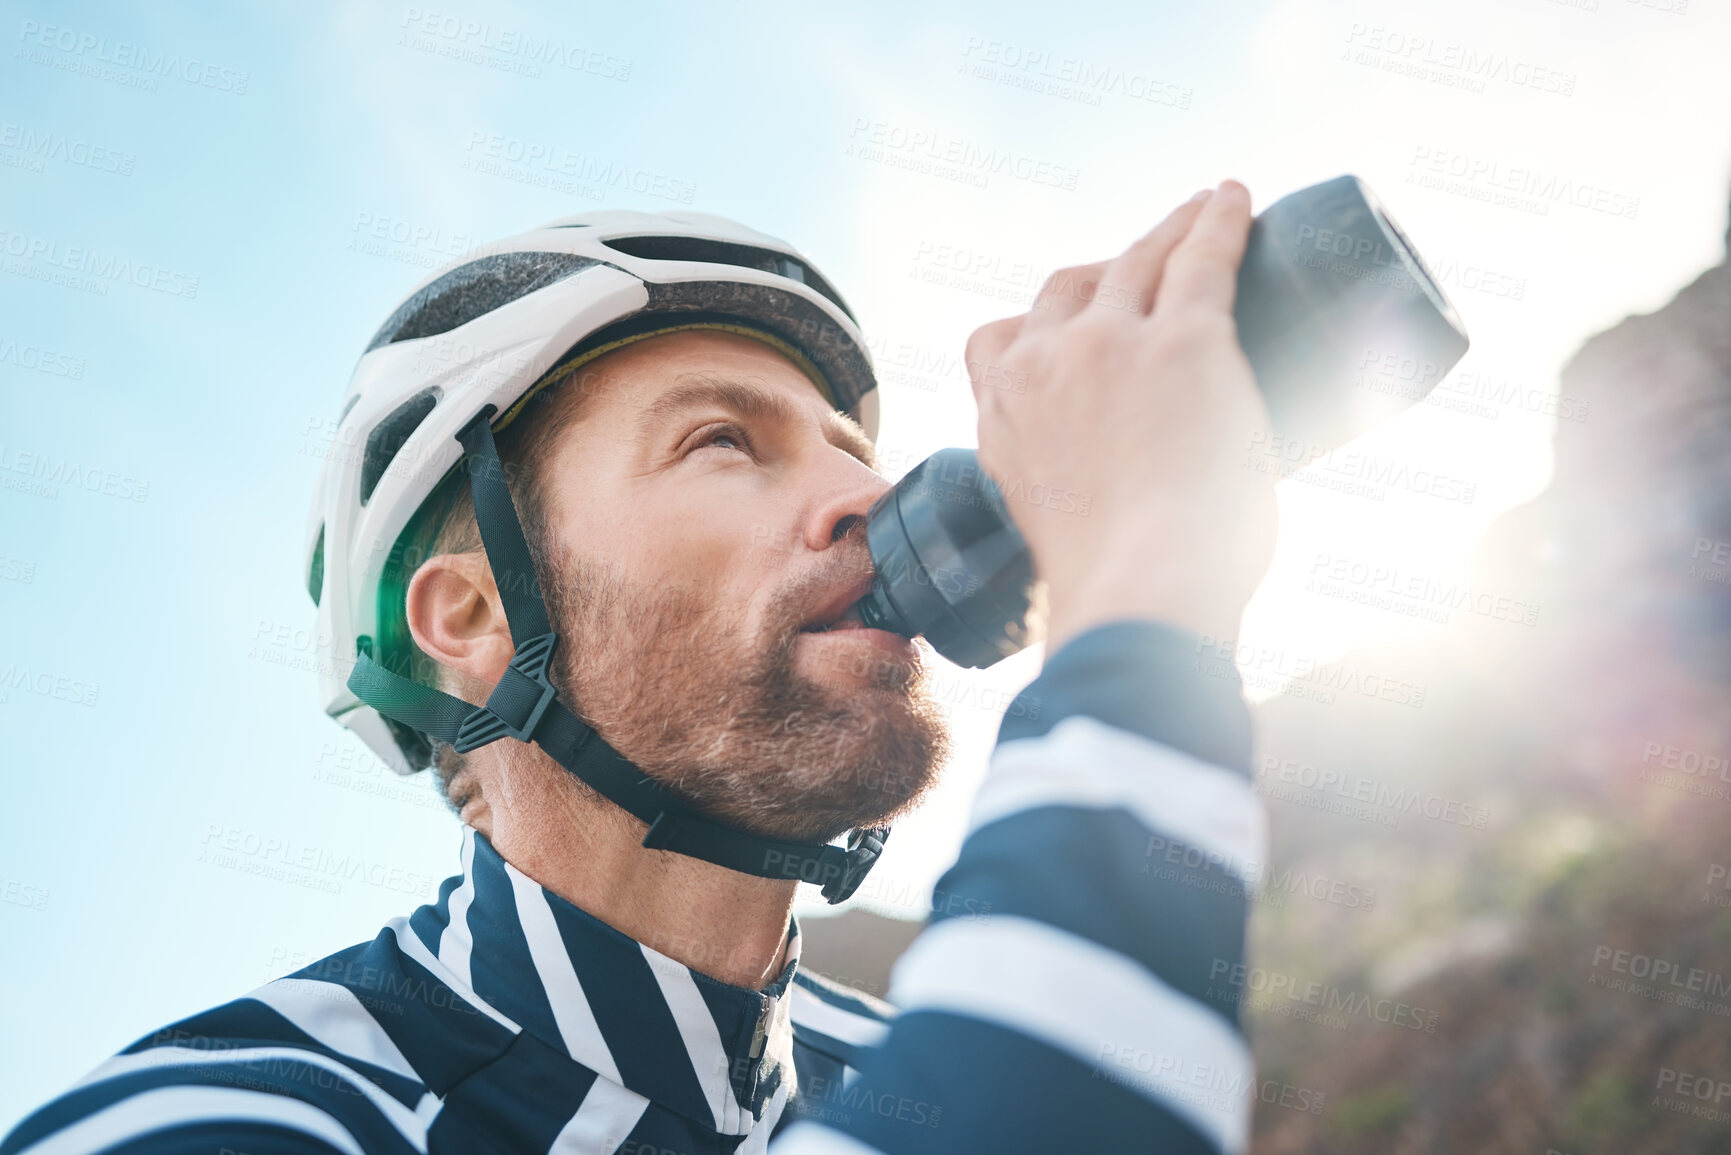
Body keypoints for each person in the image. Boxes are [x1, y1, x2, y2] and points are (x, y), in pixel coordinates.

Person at [1, 182, 1277, 1154]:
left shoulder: (891, 1056)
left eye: (855, 455)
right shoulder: (225, 1123)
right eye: (724, 442)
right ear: (468, 618)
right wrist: (1144, 597)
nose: (867, 499)